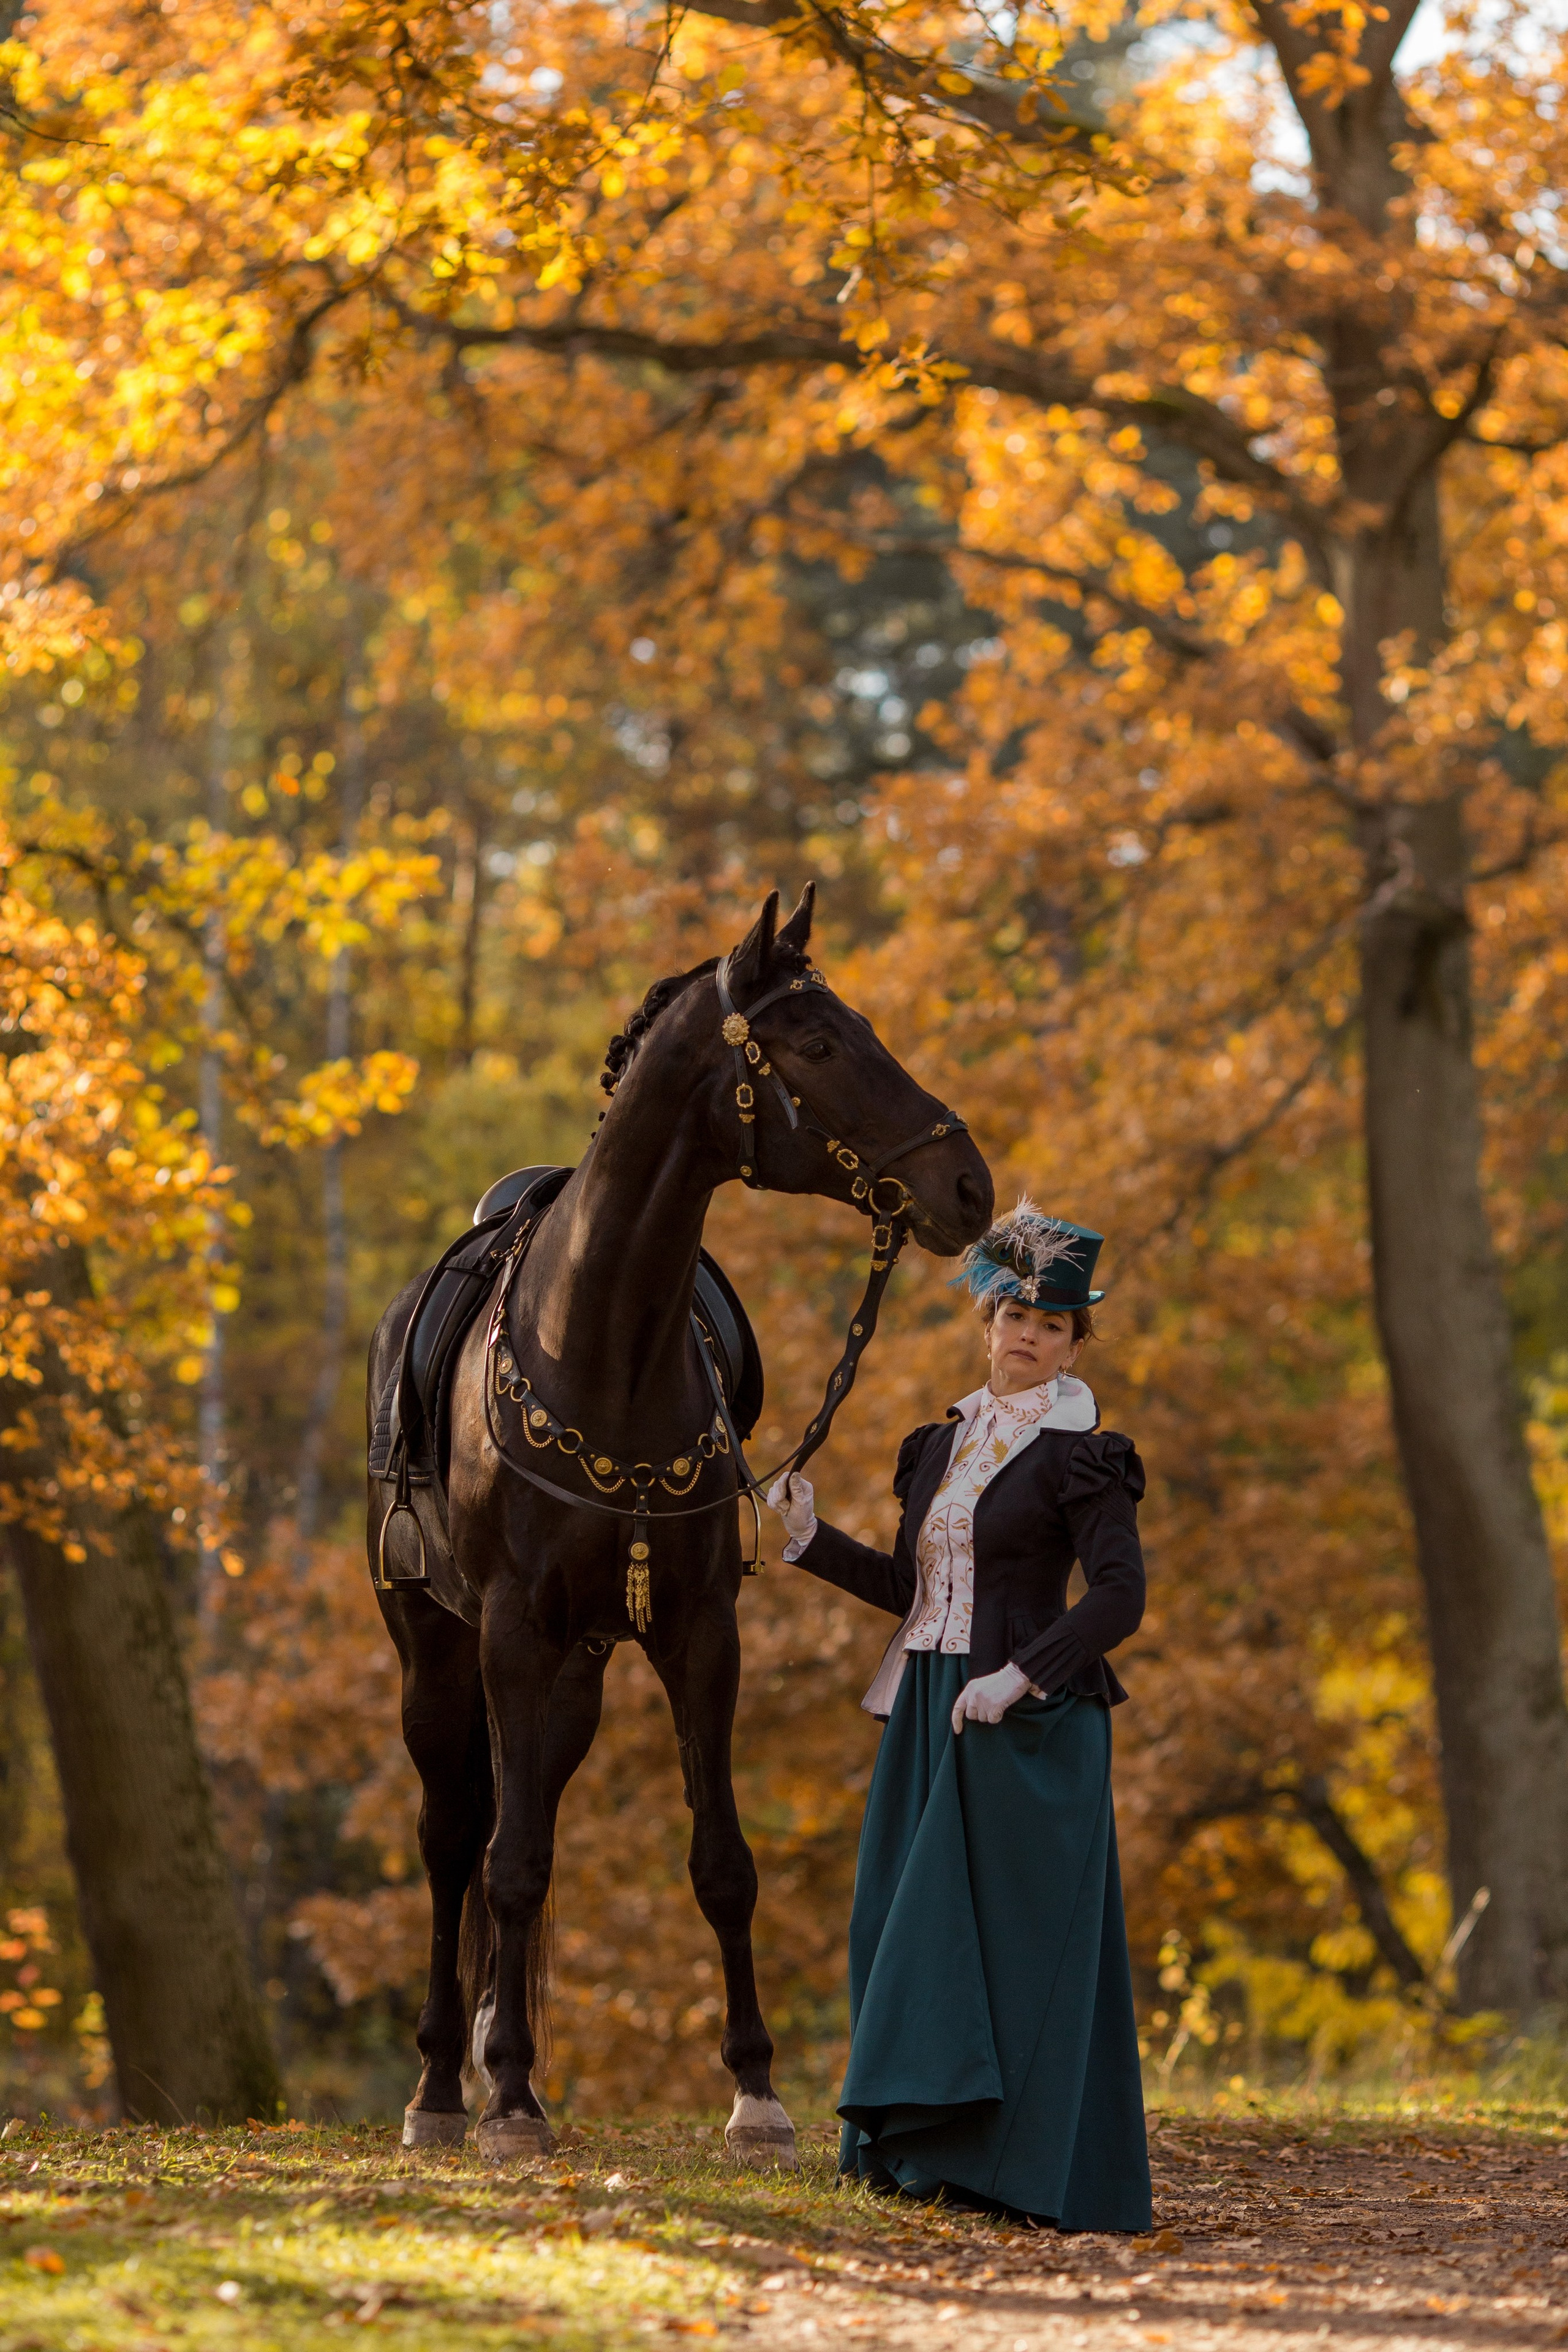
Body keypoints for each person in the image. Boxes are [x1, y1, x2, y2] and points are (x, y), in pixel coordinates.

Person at [767, 1202, 1150, 2231]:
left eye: (1053, 1324)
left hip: (1023, 1724)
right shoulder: (934, 1447)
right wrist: (811, 1541)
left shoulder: (1086, 1454)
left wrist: (1024, 1675)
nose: (1029, 1333)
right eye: (1015, 1312)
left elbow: (1120, 1597)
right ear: (986, 1319)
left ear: (1074, 1343)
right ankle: (907, 2158)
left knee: (1006, 1943)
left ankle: (1013, 2172)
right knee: (896, 1923)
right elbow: (913, 1586)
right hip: (927, 1702)